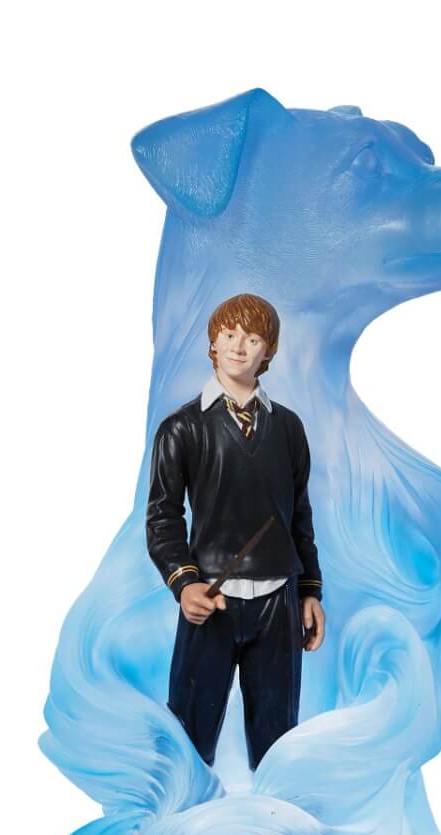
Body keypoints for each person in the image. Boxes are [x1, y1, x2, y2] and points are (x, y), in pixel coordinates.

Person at [146, 293, 325, 770]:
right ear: (213, 343)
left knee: (277, 744)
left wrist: (309, 591)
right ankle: (179, 814)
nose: (238, 347)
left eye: (252, 338)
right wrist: (184, 583)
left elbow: (300, 515)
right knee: (189, 737)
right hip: (211, 600)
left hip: (278, 603)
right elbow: (163, 518)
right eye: (229, 335)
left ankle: (273, 818)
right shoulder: (181, 428)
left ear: (269, 351)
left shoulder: (288, 429)